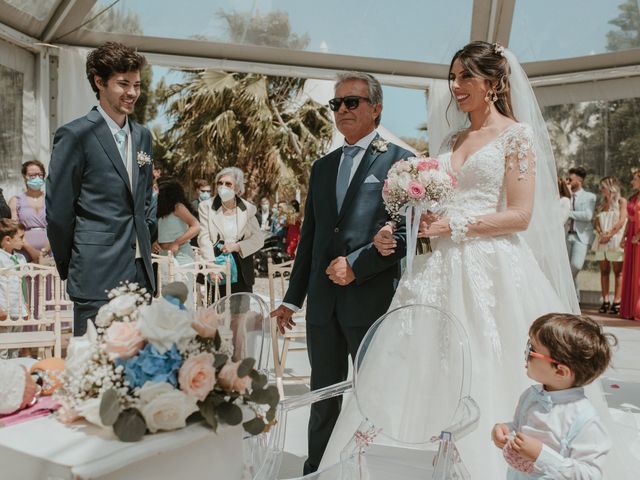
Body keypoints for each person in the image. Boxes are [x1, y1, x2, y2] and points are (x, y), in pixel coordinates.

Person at [320, 41, 594, 476]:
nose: (456, 85)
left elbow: (521, 215)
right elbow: (437, 203)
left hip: (490, 267)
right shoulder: (452, 139)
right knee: (419, 362)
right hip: (434, 267)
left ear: (495, 81)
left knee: (486, 359)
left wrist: (456, 226)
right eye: (454, 77)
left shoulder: (515, 136)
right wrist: (410, 221)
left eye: (467, 76)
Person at [271, 71, 411, 474]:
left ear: (376, 108)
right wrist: (290, 300)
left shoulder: (402, 163)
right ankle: (316, 468)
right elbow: (311, 242)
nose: (343, 110)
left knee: (373, 396)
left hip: (370, 301)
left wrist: (358, 265)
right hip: (322, 307)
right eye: (337, 104)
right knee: (322, 396)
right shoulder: (322, 167)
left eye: (352, 102)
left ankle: (365, 470)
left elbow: (404, 234)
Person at [46, 42, 156, 336]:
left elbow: (145, 200)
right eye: (123, 84)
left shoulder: (144, 137)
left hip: (141, 276)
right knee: (94, 370)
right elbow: (58, 213)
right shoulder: (75, 134)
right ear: (99, 82)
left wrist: (145, 237)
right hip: (95, 274)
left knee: (140, 370)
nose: (132, 93)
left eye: (137, 85)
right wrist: (78, 262)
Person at [493, 314, 615, 479]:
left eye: (532, 351)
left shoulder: (585, 420)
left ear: (560, 371)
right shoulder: (531, 396)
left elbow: (589, 475)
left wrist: (541, 455)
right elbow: (521, 427)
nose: (526, 353)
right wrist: (507, 430)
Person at [198, 167, 263, 296]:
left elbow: (258, 239)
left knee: (241, 313)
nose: (223, 187)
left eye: (228, 184)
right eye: (220, 183)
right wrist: (212, 267)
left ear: (237, 188)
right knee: (215, 311)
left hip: (241, 266)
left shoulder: (248, 208)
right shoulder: (206, 207)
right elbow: (204, 237)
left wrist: (237, 246)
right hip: (217, 263)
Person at [592, 177, 627, 314]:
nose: (601, 190)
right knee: (604, 271)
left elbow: (622, 220)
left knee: (618, 272)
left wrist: (609, 235)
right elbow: (596, 223)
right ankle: (605, 301)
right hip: (601, 241)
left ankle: (616, 302)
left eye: (603, 187)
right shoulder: (601, 204)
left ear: (611, 187)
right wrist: (601, 234)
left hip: (615, 241)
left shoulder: (621, 201)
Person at [8, 160, 50, 263]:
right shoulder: (16, 201)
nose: (37, 178)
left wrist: (45, 250)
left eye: (40, 174)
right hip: (24, 252)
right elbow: (14, 229)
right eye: (32, 175)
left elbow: (57, 227)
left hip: (49, 252)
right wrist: (31, 250)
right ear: (24, 176)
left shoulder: (51, 200)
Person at [566, 167, 596, 294]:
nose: (567, 181)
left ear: (579, 180)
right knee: (567, 268)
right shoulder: (564, 195)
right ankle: (575, 300)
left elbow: (588, 216)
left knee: (576, 266)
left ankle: (566, 292)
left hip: (581, 237)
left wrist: (568, 213)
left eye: (570, 179)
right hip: (565, 235)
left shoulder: (590, 197)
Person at [0, 219, 28, 359]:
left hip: (18, 309)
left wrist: (26, 304)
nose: (24, 241)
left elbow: (24, 282)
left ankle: (14, 374)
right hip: (5, 310)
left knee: (15, 348)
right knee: (3, 349)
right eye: (21, 237)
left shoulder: (21, 258)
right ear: (7, 240)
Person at [620, 169, 640, 320]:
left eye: (635, 179)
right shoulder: (633, 197)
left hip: (638, 237)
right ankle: (630, 309)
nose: (632, 182)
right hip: (631, 237)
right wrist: (623, 237)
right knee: (630, 272)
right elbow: (629, 220)